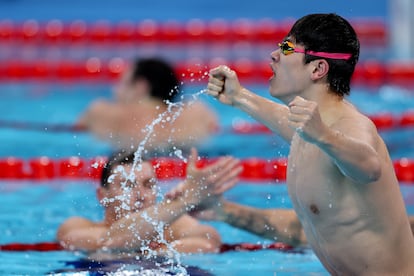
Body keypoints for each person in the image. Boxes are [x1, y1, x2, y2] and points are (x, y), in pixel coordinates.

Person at [205, 13, 414, 275]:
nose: (274, 54)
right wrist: (239, 97)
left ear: (318, 69)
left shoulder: (349, 127)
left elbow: (370, 167)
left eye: (287, 47)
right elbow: (286, 120)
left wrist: (324, 135)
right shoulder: (308, 131)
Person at [57, 148, 242, 254]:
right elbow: (111, 241)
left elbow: (210, 241)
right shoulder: (77, 226)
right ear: (102, 196)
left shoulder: (174, 228)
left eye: (148, 184)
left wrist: (160, 252)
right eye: (127, 185)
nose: (141, 195)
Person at [76, 57, 218, 154]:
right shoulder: (199, 111)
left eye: (121, 83)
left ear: (140, 86)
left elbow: (78, 130)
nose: (115, 90)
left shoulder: (100, 111)